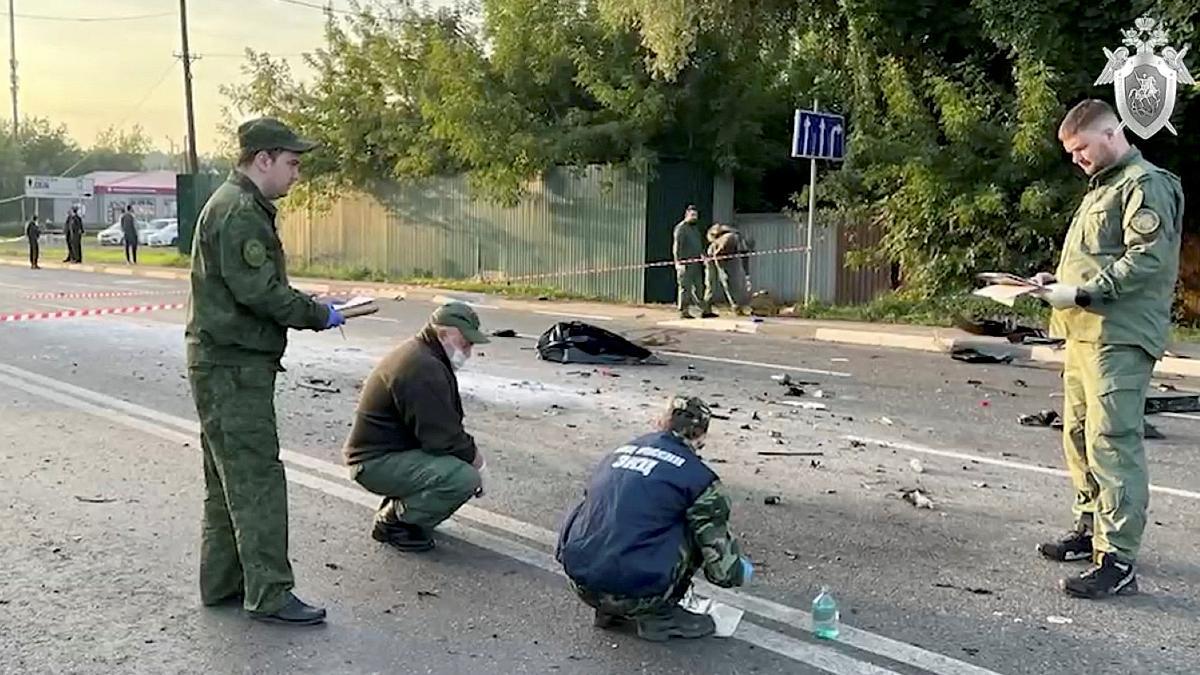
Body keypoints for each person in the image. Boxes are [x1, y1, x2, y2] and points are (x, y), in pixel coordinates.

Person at [186, 117, 346, 625]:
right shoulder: (239, 213)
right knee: (256, 480)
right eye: (292, 163)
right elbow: (260, 293)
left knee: (226, 480)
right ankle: (270, 593)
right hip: (234, 367)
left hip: (220, 362)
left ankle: (223, 583)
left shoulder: (234, 204)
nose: (296, 174)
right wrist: (318, 313)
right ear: (263, 160)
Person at [1030, 99, 1184, 599]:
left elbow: (1148, 259)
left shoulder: (1145, 184)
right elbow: (1094, 260)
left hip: (1119, 335)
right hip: (1084, 333)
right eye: (1070, 152)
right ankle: (1090, 528)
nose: (1076, 159)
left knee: (1112, 440)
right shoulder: (1104, 189)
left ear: (1111, 133)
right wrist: (1058, 282)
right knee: (1077, 434)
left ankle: (1118, 560)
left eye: (1081, 148)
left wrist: (1086, 291)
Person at [555, 396, 752, 642]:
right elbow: (722, 572)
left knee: (611, 509)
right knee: (696, 525)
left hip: (582, 585)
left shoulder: (615, 454)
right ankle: (660, 615)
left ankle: (608, 610)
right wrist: (739, 571)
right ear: (701, 436)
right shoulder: (699, 479)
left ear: (660, 422)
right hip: (640, 595)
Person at [343, 302, 489, 552]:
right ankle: (395, 523)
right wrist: (479, 465)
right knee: (462, 478)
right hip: (373, 462)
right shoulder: (423, 367)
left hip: (387, 453)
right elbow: (444, 439)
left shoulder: (425, 354)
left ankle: (406, 505)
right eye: (465, 343)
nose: (469, 351)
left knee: (458, 463)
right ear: (443, 333)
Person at [672, 205, 715, 319]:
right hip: (685, 264)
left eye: (696, 215)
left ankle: (704, 310)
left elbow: (698, 246)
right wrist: (678, 263)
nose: (694, 217)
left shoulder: (695, 229)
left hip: (696, 264)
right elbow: (677, 246)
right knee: (685, 288)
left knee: (699, 288)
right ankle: (683, 311)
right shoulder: (681, 228)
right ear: (686, 215)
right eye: (692, 215)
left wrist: (703, 256)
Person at [705, 223, 752, 316]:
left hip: (723, 259)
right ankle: (707, 308)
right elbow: (718, 253)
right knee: (717, 284)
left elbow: (744, 255)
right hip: (716, 259)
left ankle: (736, 306)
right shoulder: (730, 238)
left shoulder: (735, 240)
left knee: (730, 284)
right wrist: (721, 267)